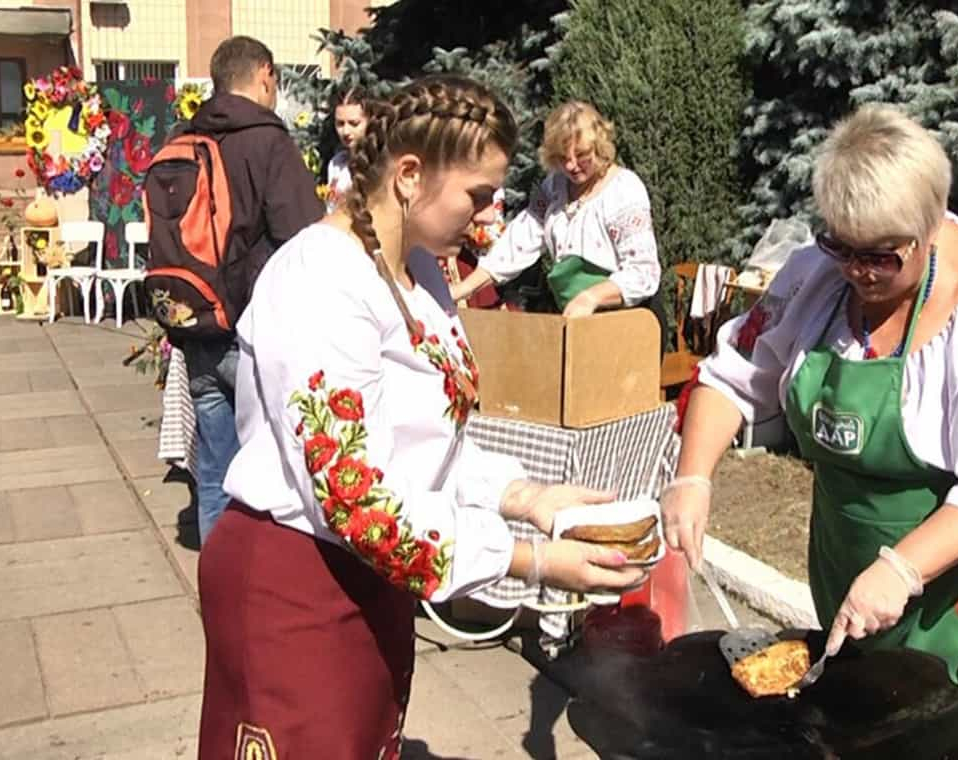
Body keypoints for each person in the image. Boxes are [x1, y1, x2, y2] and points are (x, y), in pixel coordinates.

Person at [197, 75, 648, 759]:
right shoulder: (318, 278)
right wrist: (534, 562)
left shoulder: (421, 272)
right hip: (293, 581)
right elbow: (358, 500)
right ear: (410, 174)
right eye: (477, 194)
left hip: (372, 575)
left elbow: (426, 438)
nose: (488, 213)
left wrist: (525, 496)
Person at [664, 104, 958, 759]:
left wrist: (901, 566)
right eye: (842, 247)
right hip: (850, 540)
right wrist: (692, 477)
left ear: (928, 227)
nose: (858, 270)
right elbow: (734, 374)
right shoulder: (814, 277)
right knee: (861, 714)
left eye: (880, 256)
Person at [182, 36, 323, 544]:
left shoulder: (185, 137)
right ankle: (256, 591)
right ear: (265, 73)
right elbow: (306, 237)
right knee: (278, 476)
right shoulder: (268, 140)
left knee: (217, 474)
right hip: (255, 332)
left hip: (195, 324)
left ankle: (214, 591)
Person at [450, 100, 661, 319]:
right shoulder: (553, 188)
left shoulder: (623, 190)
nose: (571, 165)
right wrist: (461, 290)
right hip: (578, 320)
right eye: (563, 157)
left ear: (599, 147)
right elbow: (518, 244)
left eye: (581, 155)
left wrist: (591, 297)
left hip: (628, 321)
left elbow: (643, 272)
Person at [324, 87, 369, 213]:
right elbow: (331, 207)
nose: (346, 132)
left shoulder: (379, 163)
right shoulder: (336, 163)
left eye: (354, 123)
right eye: (340, 124)